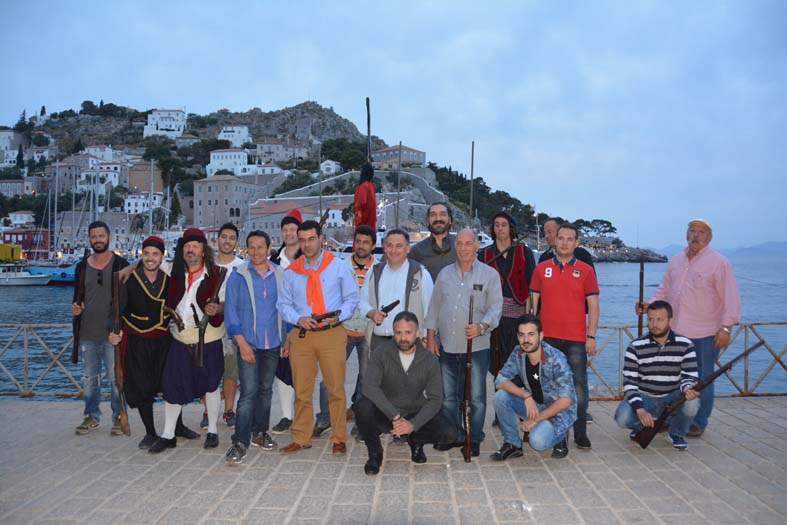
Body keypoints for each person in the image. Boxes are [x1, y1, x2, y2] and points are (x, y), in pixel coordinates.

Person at [636, 219, 740, 437]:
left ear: (709, 237)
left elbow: (730, 298)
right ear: (686, 234)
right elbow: (664, 290)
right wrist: (649, 306)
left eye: (701, 232)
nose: (696, 235)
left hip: (705, 333)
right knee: (673, 378)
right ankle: (673, 417)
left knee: (702, 379)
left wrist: (726, 328)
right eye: (692, 231)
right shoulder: (676, 260)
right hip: (675, 332)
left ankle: (699, 421)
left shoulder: (719, 263)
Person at [277, 220, 359, 455]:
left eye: (311, 239)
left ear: (321, 238)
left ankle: (339, 437)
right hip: (302, 335)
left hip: (331, 333)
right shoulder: (292, 272)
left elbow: (351, 298)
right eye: (302, 240)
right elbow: (283, 305)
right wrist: (298, 318)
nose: (307, 244)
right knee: (302, 390)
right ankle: (301, 437)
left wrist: (340, 315)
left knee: (335, 389)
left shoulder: (338, 266)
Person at [424, 228, 502, 457]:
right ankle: (453, 435)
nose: (463, 248)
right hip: (447, 346)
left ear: (477, 246)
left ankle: (473, 437)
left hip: (476, 348)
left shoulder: (489, 275)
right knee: (449, 396)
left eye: (468, 244)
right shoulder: (444, 274)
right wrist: (431, 337)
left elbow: (496, 307)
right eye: (459, 243)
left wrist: (482, 326)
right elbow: (434, 307)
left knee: (476, 397)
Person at [149, 228, 226, 453]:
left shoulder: (218, 275)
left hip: (208, 338)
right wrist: (126, 270)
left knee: (211, 385)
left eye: (195, 246)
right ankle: (168, 434)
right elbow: (148, 263)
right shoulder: (172, 271)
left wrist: (217, 308)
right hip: (181, 338)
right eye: (186, 246)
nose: (190, 250)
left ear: (203, 250)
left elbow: (226, 304)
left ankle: (212, 431)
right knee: (172, 386)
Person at [356, 311, 456, 474]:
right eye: (398, 333)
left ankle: (416, 439)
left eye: (408, 332)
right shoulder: (381, 352)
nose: (403, 338)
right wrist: (395, 416)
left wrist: (413, 424)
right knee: (362, 406)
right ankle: (375, 453)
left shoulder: (429, 360)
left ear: (417, 333)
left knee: (450, 433)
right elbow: (369, 386)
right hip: (387, 413)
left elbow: (436, 399)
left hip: (414, 411)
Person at [530, 222, 599, 452]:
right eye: (561, 238)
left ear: (576, 243)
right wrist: (531, 335)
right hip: (547, 339)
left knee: (578, 386)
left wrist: (591, 336)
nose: (565, 243)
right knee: (550, 387)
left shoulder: (586, 270)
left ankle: (580, 431)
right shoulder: (542, 268)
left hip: (576, 339)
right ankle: (556, 432)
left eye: (570, 239)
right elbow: (533, 302)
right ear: (555, 241)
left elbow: (593, 304)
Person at [223, 231, 284, 465]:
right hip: (247, 343)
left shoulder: (280, 274)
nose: (256, 251)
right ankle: (240, 442)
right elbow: (231, 313)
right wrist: (241, 343)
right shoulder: (238, 275)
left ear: (269, 248)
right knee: (248, 393)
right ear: (246, 249)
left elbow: (286, 307)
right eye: (252, 247)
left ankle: (260, 431)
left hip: (273, 343)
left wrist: (286, 338)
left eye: (261, 247)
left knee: (266, 390)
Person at [108, 236, 173, 449]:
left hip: (163, 341)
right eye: (146, 254)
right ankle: (150, 433)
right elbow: (115, 311)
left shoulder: (168, 280)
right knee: (142, 387)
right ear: (141, 255)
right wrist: (112, 332)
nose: (150, 258)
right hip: (137, 341)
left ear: (162, 256)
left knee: (172, 385)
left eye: (155, 254)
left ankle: (177, 427)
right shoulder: (129, 280)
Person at [314, 225, 375, 439]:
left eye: (366, 242)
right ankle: (325, 418)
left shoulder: (379, 269)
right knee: (329, 376)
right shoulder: (339, 267)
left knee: (367, 380)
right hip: (342, 328)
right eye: (358, 241)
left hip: (368, 330)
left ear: (373, 246)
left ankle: (362, 421)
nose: (361, 246)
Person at [491, 314, 577, 460]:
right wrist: (525, 395)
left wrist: (534, 421)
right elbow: (500, 380)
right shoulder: (518, 353)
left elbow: (565, 400)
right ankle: (513, 444)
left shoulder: (556, 358)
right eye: (521, 335)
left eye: (531, 334)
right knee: (500, 396)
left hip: (558, 411)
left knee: (537, 442)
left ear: (540, 336)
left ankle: (561, 434)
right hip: (536, 406)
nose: (526, 340)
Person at [616, 301, 700, 449]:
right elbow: (629, 384)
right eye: (651, 319)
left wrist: (688, 388)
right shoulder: (635, 346)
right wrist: (640, 410)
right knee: (622, 418)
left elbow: (689, 376)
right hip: (645, 396)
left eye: (660, 319)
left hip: (672, 396)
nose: (654, 324)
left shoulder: (685, 344)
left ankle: (677, 433)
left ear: (670, 321)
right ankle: (644, 426)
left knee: (692, 403)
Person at [71, 221, 129, 436]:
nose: (98, 240)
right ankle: (91, 416)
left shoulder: (121, 264)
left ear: (109, 237)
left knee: (116, 378)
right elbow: (77, 297)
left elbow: (127, 301)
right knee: (89, 379)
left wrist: (122, 328)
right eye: (94, 236)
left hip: (112, 334)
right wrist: (75, 307)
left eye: (101, 236)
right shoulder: (81, 267)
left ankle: (119, 417)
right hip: (86, 333)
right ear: (89, 239)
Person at [478, 211, 537, 381]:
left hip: (518, 318)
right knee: (497, 365)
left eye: (504, 225)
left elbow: (533, 286)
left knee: (519, 365)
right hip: (493, 319)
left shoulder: (524, 252)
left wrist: (531, 318)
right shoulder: (484, 254)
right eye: (497, 225)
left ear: (510, 228)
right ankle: (500, 397)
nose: (500, 228)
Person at [199, 222, 245, 430]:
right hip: (208, 323)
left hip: (231, 323)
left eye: (232, 238)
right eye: (224, 237)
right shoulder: (206, 266)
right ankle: (208, 411)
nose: (227, 241)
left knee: (230, 369)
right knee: (207, 368)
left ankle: (228, 410)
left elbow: (243, 299)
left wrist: (222, 308)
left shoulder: (242, 267)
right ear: (217, 240)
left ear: (236, 242)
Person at [360, 228, 433, 354]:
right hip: (378, 342)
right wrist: (371, 313)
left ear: (408, 249)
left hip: (409, 343)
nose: (393, 250)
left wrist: (426, 339)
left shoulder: (420, 274)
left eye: (399, 246)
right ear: (384, 247)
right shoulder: (374, 272)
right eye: (389, 245)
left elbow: (430, 311)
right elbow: (362, 302)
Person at [269, 209, 302, 435]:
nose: (289, 233)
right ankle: (286, 415)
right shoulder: (273, 261)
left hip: (304, 321)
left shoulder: (308, 259)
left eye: (293, 229)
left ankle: (302, 414)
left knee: (302, 369)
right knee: (282, 368)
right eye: (285, 230)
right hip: (280, 320)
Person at [410, 202, 457, 282]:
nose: (438, 219)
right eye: (433, 215)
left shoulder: (461, 247)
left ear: (450, 220)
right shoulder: (416, 251)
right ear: (428, 221)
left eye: (442, 214)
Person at [353, 163, 377, 232]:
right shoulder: (371, 185)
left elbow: (361, 203)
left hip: (364, 222)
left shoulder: (363, 186)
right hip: (371, 221)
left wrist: (358, 220)